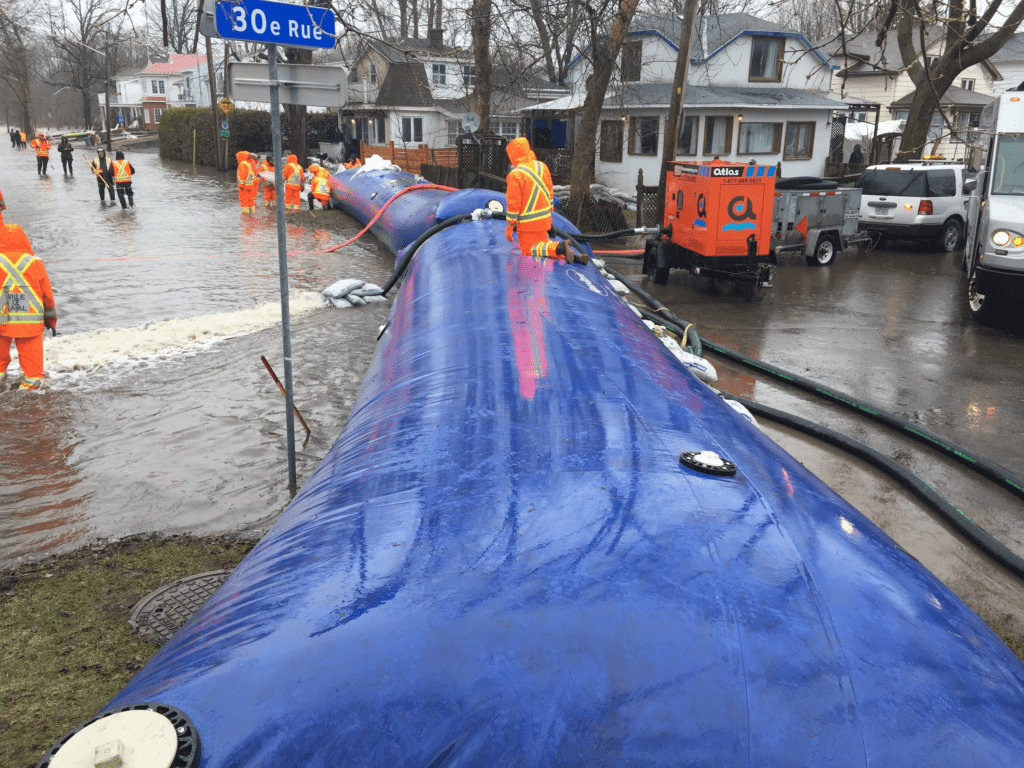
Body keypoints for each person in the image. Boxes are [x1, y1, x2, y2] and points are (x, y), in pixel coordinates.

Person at [504, 136, 588, 265]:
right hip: (545, 220)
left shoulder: (515, 175)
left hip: (527, 225)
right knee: (543, 246)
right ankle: (572, 255)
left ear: (513, 155)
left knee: (528, 249)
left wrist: (510, 226)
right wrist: (548, 220)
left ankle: (559, 248)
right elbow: (549, 194)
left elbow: (514, 204)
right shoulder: (542, 167)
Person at [0, 224, 57, 391]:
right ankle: (29, 404)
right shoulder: (35, 264)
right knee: (33, 375)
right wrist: (51, 322)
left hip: (1, 323)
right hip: (30, 326)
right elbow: (47, 298)